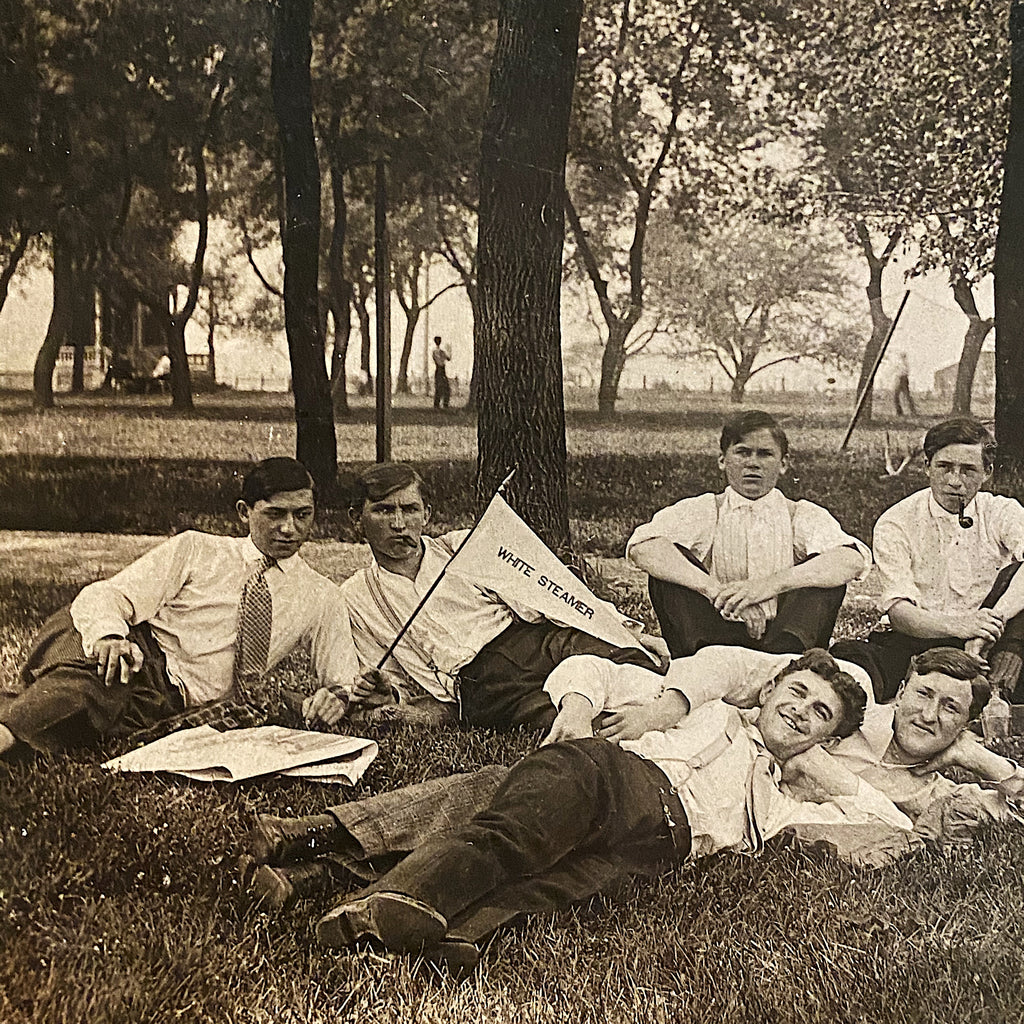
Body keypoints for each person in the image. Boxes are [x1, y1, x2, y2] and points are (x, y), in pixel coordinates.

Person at [309, 649, 906, 975]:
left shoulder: (776, 801)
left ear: (826, 738)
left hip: (662, 847)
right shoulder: (699, 711)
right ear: (768, 689)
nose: (802, 711)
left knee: (563, 881)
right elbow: (591, 668)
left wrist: (813, 763)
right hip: (612, 777)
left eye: (820, 715)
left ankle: (342, 884)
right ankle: (415, 899)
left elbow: (887, 824)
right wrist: (574, 712)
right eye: (797, 693)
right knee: (516, 833)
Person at [0, 457, 357, 759]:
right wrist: (110, 637)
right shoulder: (198, 550)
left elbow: (343, 678)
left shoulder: (321, 595)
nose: (289, 529)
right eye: (275, 514)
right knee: (91, 686)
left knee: (92, 725)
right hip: (128, 645)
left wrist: (335, 697)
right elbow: (108, 595)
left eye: (302, 515)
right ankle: (8, 734)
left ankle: (15, 721)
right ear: (244, 512)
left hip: (168, 699)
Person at [339, 462, 663, 731]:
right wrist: (384, 692)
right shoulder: (356, 595)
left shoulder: (462, 546)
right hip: (480, 687)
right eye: (383, 510)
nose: (399, 523)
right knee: (564, 721)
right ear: (357, 519)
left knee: (623, 656)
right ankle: (649, 725)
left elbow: (552, 594)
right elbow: (390, 680)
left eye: (409, 509)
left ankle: (677, 699)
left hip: (529, 641)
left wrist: (626, 631)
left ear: (426, 514)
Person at [627, 410, 870, 658]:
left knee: (826, 573)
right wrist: (717, 593)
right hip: (714, 638)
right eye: (742, 452)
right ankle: (704, 663)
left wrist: (766, 587)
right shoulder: (706, 509)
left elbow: (851, 559)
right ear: (723, 460)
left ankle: (788, 664)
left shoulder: (800, 514)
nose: (753, 463)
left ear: (783, 464)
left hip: (785, 639)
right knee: (668, 568)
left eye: (765, 454)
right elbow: (642, 547)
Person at [831, 417, 1024, 703]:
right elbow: (900, 614)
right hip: (920, 636)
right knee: (852, 670)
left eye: (968, 470)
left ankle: (994, 682)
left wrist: (987, 627)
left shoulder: (1001, 511)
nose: (955, 481)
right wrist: (962, 626)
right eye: (944, 467)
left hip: (989, 636)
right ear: (926, 467)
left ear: (987, 472)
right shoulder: (896, 522)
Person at [893, 351, 917, 417]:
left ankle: (912, 411)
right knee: (897, 396)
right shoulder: (901, 363)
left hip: (903, 379)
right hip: (900, 379)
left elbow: (904, 372)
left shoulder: (904, 363)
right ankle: (900, 412)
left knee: (906, 395)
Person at [431, 336, 451, 410]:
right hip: (440, 369)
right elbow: (441, 361)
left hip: (441, 370)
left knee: (445, 387)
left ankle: (443, 404)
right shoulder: (437, 351)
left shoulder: (440, 351)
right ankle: (438, 404)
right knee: (440, 387)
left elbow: (448, 358)